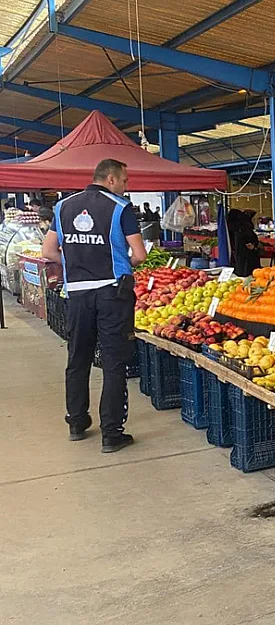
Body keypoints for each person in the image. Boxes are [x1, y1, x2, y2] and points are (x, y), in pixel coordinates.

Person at [41, 158, 147, 453]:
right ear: (111, 179)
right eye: (125, 181)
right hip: (112, 293)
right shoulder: (120, 208)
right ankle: (112, 433)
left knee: (78, 358)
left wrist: (75, 264)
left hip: (77, 295)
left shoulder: (63, 207)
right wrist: (119, 264)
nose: (126, 187)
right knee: (114, 362)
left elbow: (48, 251)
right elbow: (139, 254)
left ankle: (76, 422)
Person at [229, 209, 261, 277]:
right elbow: (250, 238)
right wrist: (254, 244)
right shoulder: (244, 225)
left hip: (238, 254)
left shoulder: (231, 226)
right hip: (248, 256)